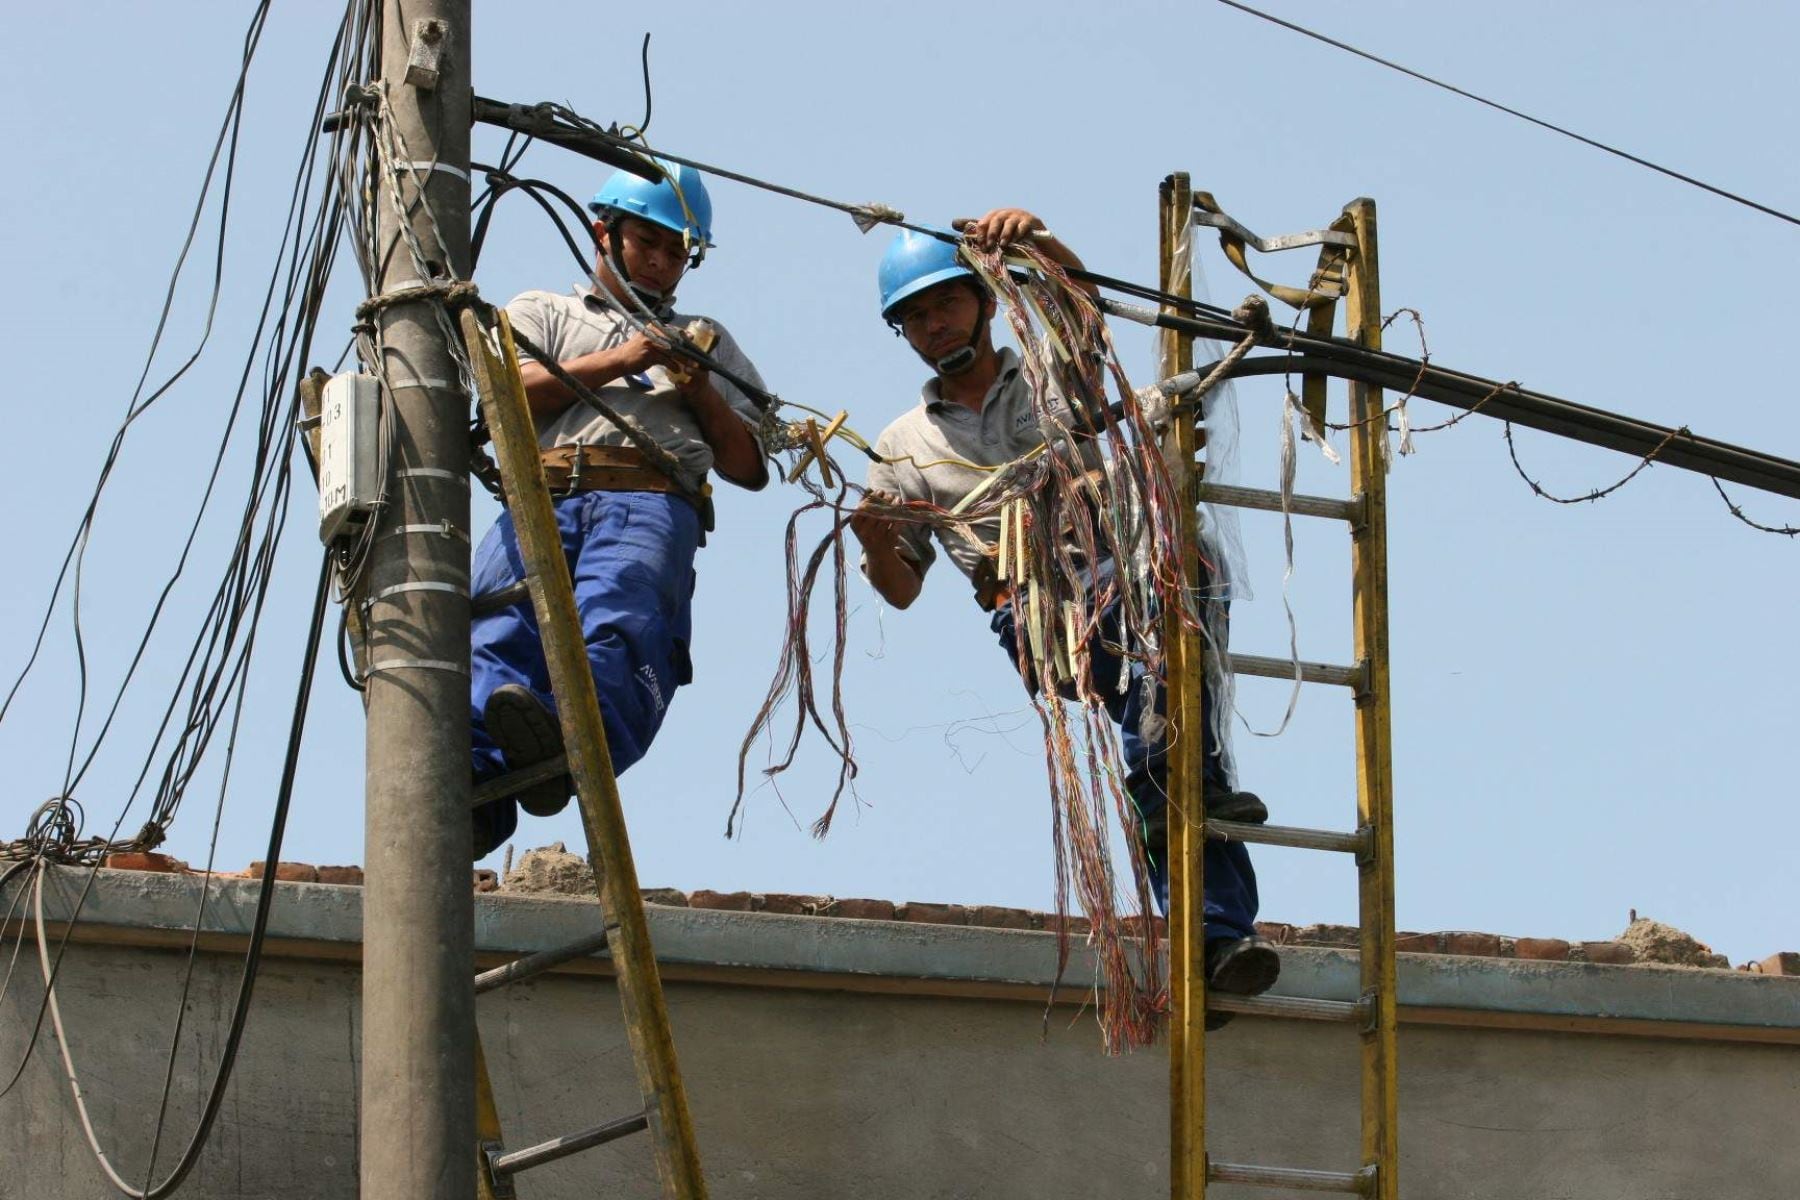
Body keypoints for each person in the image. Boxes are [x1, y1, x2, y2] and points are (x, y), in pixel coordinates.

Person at [849, 211, 1279, 1013]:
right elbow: (900, 588)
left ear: (982, 300)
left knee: (1175, 740)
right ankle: (1201, 890)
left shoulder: (1054, 379)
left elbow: (1081, 307)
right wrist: (876, 542)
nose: (933, 325)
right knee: (1165, 735)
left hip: (1133, 576)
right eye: (913, 317)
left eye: (944, 303)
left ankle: (1216, 944)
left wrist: (1035, 245)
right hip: (1041, 613)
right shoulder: (901, 446)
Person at [469, 161, 770, 858]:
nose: (662, 264)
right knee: (494, 622)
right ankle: (478, 792)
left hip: (647, 497)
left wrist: (697, 388)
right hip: (542, 491)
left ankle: (577, 747)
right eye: (647, 244)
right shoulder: (544, 311)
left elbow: (749, 466)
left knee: (623, 614)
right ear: (603, 234)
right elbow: (501, 393)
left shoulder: (706, 338)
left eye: (676, 253)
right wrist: (627, 356)